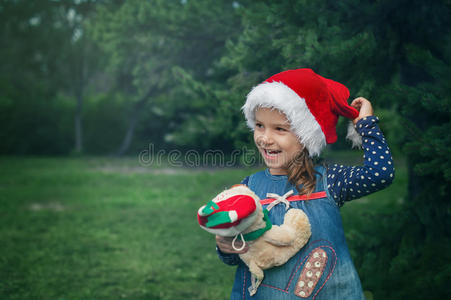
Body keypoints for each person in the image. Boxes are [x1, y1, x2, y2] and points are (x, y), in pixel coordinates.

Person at [215, 69, 394, 299]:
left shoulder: (330, 180)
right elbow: (238, 253)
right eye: (259, 125)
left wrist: (366, 125)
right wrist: (225, 246)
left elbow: (380, 174)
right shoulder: (248, 188)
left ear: (306, 135)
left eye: (279, 129)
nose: (265, 137)